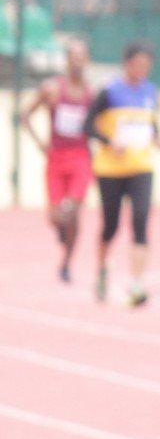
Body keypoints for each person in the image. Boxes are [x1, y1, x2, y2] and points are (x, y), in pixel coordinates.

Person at [87, 41, 160, 307]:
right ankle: (102, 268)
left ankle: (137, 283)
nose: (142, 70)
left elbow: (152, 123)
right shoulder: (109, 92)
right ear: (127, 63)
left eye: (147, 66)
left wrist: (158, 137)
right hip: (110, 169)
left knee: (141, 218)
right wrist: (109, 142)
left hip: (141, 166)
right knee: (111, 224)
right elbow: (89, 126)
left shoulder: (150, 92)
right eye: (138, 64)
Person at [22, 36, 93, 282]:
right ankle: (64, 230)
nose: (78, 63)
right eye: (74, 58)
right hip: (56, 159)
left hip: (81, 159)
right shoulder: (52, 89)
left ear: (88, 61)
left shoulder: (91, 94)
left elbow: (101, 124)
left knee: (71, 210)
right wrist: (40, 142)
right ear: (66, 61)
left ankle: (66, 263)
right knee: (56, 218)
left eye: (82, 58)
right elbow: (24, 114)